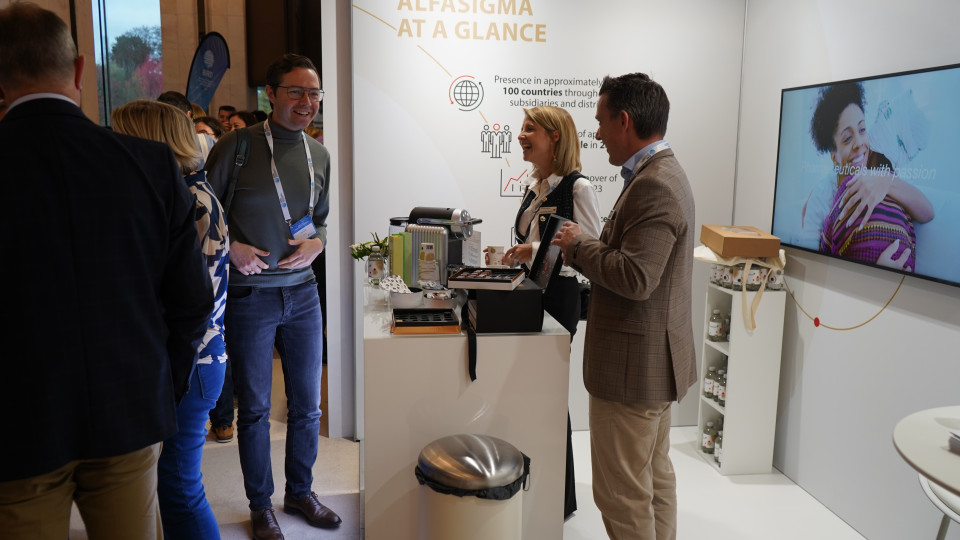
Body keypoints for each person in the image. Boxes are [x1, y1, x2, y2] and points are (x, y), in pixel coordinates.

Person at [0, 4, 212, 540]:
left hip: (19, 423)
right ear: (79, 70)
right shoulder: (150, 164)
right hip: (130, 409)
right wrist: (162, 386)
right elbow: (191, 301)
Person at [552, 72, 698, 540]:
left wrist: (578, 245)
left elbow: (636, 277)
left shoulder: (656, 184)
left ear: (625, 121)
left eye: (600, 122)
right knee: (652, 480)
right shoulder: (658, 175)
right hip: (649, 366)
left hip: (633, 373)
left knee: (622, 495)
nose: (596, 134)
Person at [204, 53, 339, 540]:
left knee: (308, 406)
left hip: (303, 295)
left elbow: (320, 220)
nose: (307, 102)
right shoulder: (236, 146)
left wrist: (318, 242)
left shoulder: (319, 154)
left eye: (314, 93)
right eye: (296, 91)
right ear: (271, 95)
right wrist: (232, 248)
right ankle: (260, 505)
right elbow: (202, 213)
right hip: (250, 297)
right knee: (257, 409)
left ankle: (300, 492)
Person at [112, 100, 230, 539]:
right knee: (176, 485)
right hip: (195, 358)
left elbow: (190, 301)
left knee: (180, 488)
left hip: (191, 361)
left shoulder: (189, 200)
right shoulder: (187, 193)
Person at [504, 105, 600, 518]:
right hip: (531, 293)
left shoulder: (578, 188)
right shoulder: (535, 186)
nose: (521, 136)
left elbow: (591, 249)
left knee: (550, 395)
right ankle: (537, 486)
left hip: (559, 299)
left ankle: (560, 499)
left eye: (530, 129)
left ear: (554, 136)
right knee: (535, 393)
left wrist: (533, 249)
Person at [804, 82, 934, 271]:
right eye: (847, 138)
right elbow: (810, 268)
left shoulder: (881, 178)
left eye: (862, 130)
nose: (859, 143)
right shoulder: (820, 198)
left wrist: (886, 181)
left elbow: (927, 212)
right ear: (834, 157)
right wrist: (873, 271)